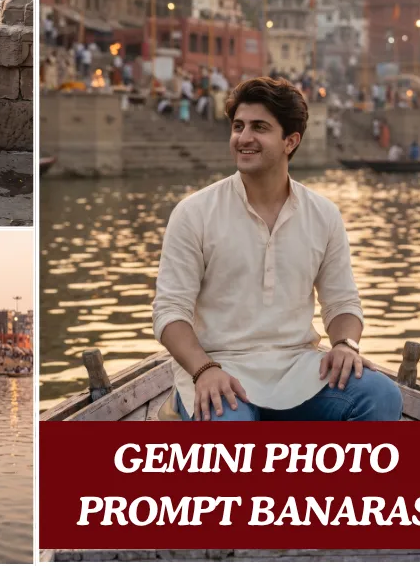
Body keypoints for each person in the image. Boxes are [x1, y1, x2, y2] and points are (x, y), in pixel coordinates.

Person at [152, 77, 402, 422]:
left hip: (299, 367)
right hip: (218, 369)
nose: (244, 138)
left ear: (290, 141)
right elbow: (170, 312)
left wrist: (345, 345)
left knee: (382, 395)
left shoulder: (323, 214)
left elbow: (342, 303)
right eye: (238, 126)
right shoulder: (194, 213)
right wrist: (203, 369)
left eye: (259, 127)